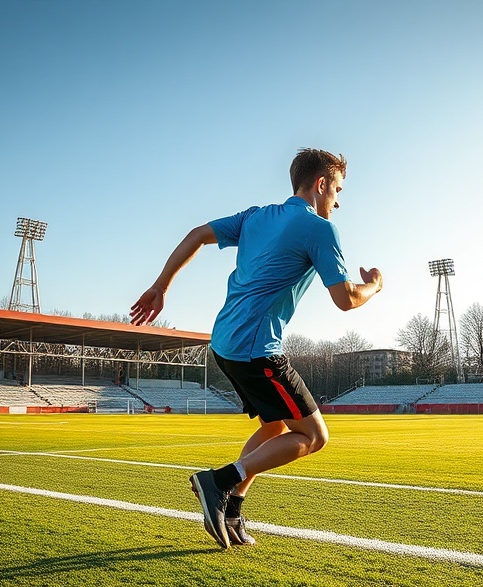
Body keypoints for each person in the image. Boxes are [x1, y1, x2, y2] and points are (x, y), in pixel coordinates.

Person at [130, 148, 383, 549]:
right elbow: (346, 299)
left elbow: (197, 234)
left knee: (275, 425)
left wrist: (161, 286)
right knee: (315, 436)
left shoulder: (256, 216)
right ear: (320, 185)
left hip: (225, 342)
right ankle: (219, 482)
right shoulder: (319, 229)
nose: (338, 200)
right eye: (337, 189)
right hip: (256, 349)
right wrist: (376, 285)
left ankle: (232, 511)